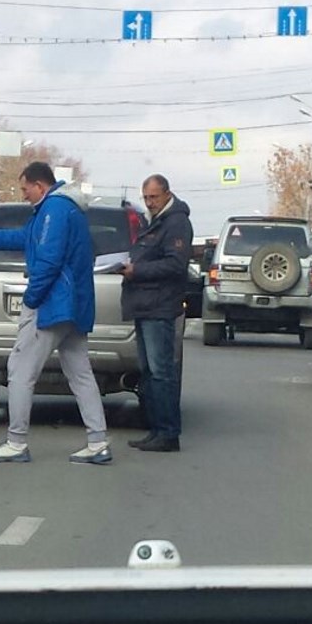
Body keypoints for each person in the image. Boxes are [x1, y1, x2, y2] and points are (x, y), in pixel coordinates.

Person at [0, 162, 110, 465]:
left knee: (21, 370)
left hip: (53, 304)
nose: (24, 194)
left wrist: (32, 299)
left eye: (25, 188)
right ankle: (98, 441)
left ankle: (16, 441)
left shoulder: (54, 210)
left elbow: (49, 260)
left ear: (40, 185)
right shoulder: (65, 209)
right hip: (74, 304)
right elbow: (25, 237)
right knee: (80, 373)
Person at [121, 174, 193, 453]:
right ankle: (156, 430)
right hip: (146, 304)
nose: (149, 202)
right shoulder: (157, 221)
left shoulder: (176, 223)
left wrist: (136, 270)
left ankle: (168, 432)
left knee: (161, 371)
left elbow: (176, 264)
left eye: (154, 197)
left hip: (160, 306)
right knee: (149, 371)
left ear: (167, 194)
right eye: (146, 197)